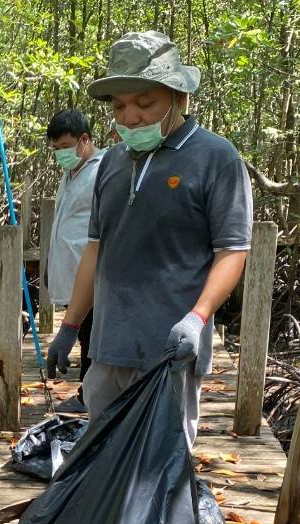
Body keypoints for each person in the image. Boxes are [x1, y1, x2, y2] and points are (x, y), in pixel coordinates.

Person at [47, 31, 252, 446]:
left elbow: (232, 251)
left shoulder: (216, 158)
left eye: (145, 103)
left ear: (179, 98)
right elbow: (95, 250)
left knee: (161, 469)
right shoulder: (112, 163)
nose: (131, 117)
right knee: (102, 461)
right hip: (107, 347)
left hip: (170, 353)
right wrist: (70, 325)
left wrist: (198, 318)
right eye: (120, 106)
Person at [43, 108, 105, 411]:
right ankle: (88, 392)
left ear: (85, 139)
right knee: (83, 334)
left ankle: (89, 396)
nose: (60, 154)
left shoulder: (103, 169)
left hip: (93, 270)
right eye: (55, 149)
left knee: (93, 332)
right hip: (70, 269)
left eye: (65, 147)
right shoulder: (70, 173)